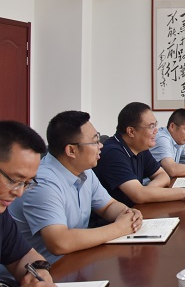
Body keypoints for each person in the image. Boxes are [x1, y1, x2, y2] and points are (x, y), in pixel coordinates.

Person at [7, 111, 143, 264]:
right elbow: (59, 242)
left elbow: (108, 206)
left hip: (78, 259)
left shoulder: (84, 171)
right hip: (48, 269)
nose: (101, 146)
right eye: (95, 141)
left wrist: (128, 214)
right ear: (71, 150)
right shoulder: (42, 183)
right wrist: (119, 228)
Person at [93, 102, 185, 207]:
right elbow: (138, 195)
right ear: (131, 131)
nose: (156, 131)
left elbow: (163, 176)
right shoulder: (113, 152)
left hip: (135, 210)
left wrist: (147, 190)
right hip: (111, 220)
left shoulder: (140, 148)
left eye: (155, 125)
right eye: (151, 126)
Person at [0, 121, 55, 287]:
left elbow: (21, 257)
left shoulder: (2, 214)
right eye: (14, 181)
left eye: (27, 183)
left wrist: (39, 271)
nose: (19, 193)